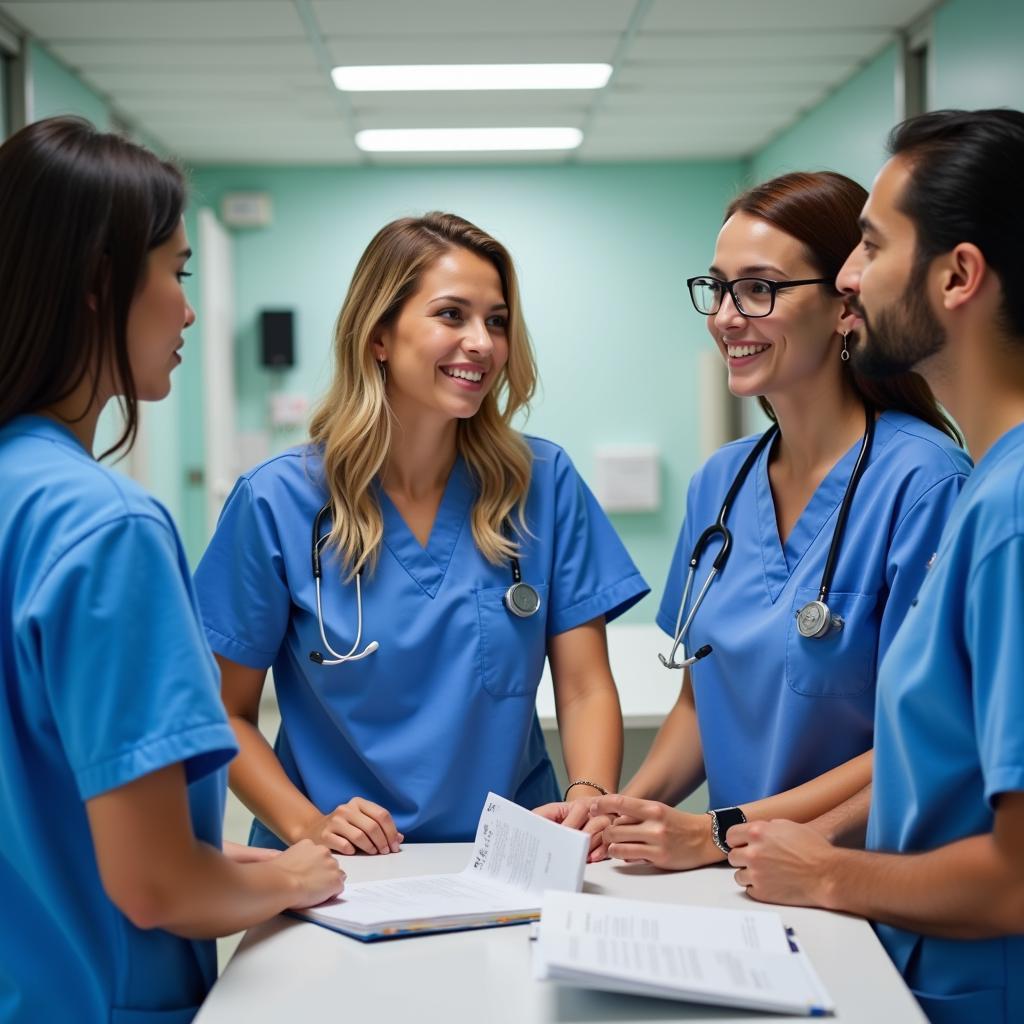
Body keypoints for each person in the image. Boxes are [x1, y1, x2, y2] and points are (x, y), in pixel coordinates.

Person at [0, 117, 344, 1024]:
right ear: (98, 284)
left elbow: (49, 815)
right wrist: (296, 877)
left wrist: (230, 867)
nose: (189, 309)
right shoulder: (103, 525)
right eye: (176, 273)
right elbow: (153, 887)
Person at [194, 212, 649, 855]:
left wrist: (588, 796)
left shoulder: (542, 483)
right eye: (451, 315)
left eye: (496, 320)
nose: (483, 342)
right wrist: (307, 826)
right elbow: (226, 712)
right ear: (379, 335)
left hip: (511, 853)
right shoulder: (278, 501)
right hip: (338, 867)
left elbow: (584, 686)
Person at [728, 109, 1024, 1024]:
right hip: (908, 966)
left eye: (870, 246)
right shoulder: (992, 486)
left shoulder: (1006, 510)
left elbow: (1016, 881)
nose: (849, 279)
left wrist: (824, 870)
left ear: (958, 276)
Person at [589, 171, 970, 869]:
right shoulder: (720, 485)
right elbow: (702, 705)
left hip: (865, 884)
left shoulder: (924, 483)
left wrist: (718, 831)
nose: (727, 317)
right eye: (718, 287)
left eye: (759, 288)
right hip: (743, 878)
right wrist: (622, 814)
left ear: (844, 307)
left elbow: (920, 739)